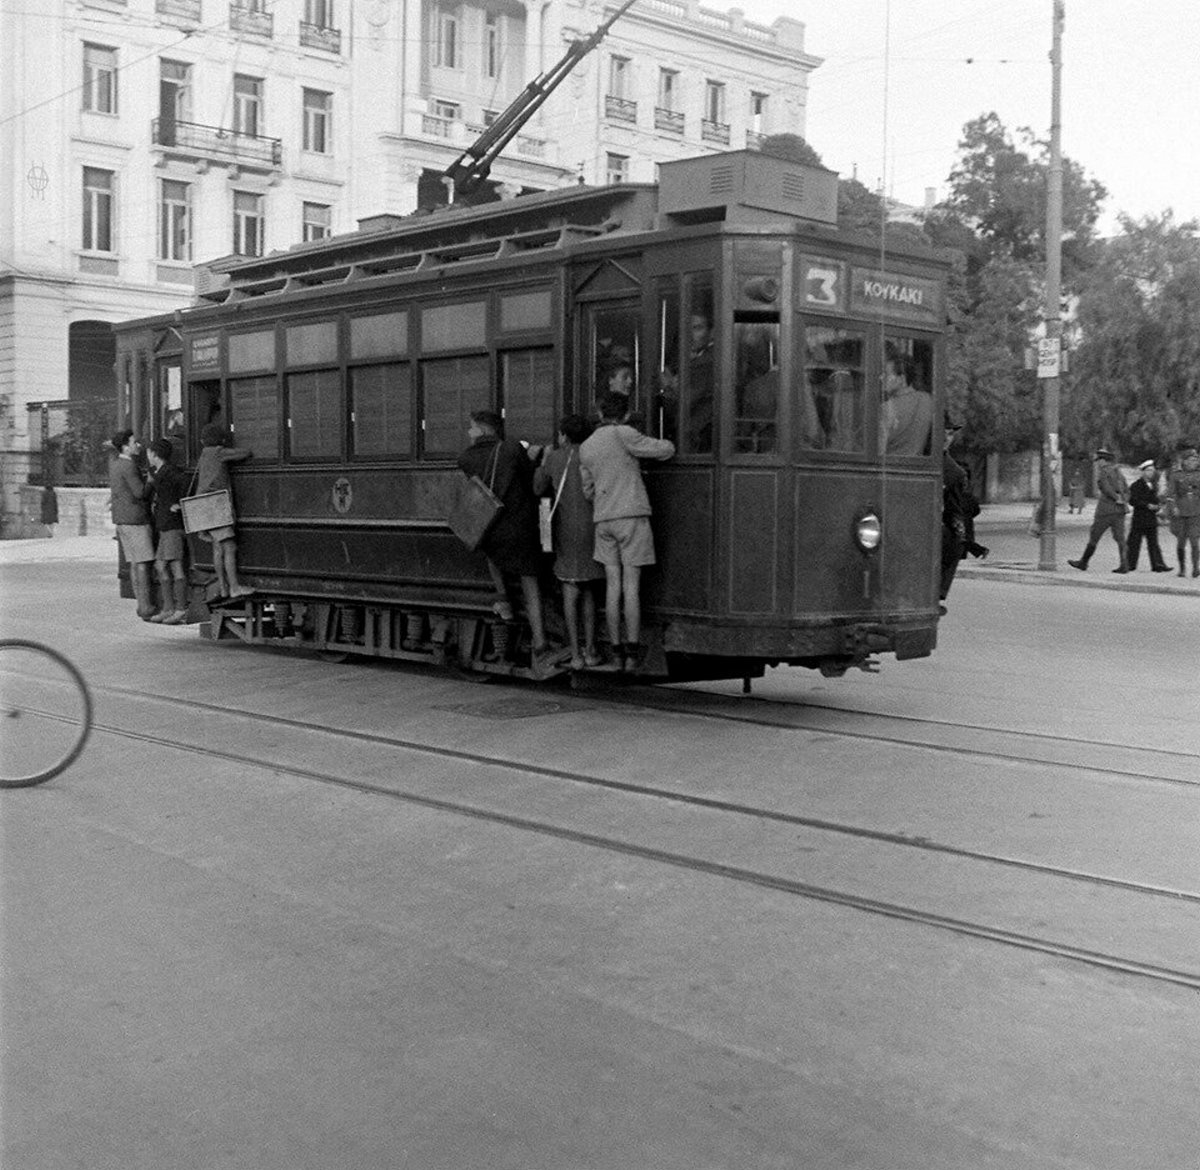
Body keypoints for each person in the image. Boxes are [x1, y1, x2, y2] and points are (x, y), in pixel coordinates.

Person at [579, 391, 675, 672]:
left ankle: (617, 651)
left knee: (613, 587)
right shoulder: (624, 434)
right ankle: (632, 653)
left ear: (599, 413)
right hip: (631, 516)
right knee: (631, 587)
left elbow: (588, 491)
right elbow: (664, 449)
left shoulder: (587, 445)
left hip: (604, 519)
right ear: (624, 414)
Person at [457, 410, 557, 675]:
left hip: (490, 528)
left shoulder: (465, 458)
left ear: (482, 429)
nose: (469, 432)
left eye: (471, 428)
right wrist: (536, 456)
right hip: (519, 528)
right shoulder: (512, 449)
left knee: (491, 552)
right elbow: (531, 481)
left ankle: (503, 600)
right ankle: (540, 642)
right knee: (529, 580)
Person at [532, 414, 604, 671]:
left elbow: (538, 488)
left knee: (570, 591)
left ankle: (575, 654)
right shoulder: (592, 454)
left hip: (567, 532)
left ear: (563, 435)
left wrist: (543, 460)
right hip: (595, 529)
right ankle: (592, 650)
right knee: (588, 590)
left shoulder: (556, 457)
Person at [195, 422, 254, 599]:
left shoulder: (204, 454)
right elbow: (244, 453)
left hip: (203, 504)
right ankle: (235, 587)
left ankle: (223, 587)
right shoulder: (218, 452)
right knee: (230, 547)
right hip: (216, 505)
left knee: (217, 548)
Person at [108, 429, 157, 620]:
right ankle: (146, 606)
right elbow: (139, 493)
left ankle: (141, 605)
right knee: (143, 562)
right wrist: (151, 481)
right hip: (136, 519)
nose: (138, 445)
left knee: (135, 563)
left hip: (121, 519)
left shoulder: (115, 464)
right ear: (126, 447)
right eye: (134, 442)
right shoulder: (129, 466)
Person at [145, 438, 192, 622]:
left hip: (172, 525)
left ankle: (179, 608)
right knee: (162, 565)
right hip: (165, 525)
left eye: (149, 453)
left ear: (155, 455)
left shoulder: (169, 472)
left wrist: (179, 504)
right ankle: (169, 607)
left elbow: (185, 482)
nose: (147, 456)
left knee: (174, 565)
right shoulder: (160, 472)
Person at [1068, 448, 1129, 573]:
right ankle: (1124, 565)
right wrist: (1123, 499)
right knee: (1121, 538)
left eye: (1098, 460)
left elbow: (1105, 488)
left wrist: (1116, 497)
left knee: (1094, 536)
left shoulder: (1104, 472)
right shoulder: (1119, 472)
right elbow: (1127, 490)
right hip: (1120, 510)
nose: (1097, 463)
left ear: (1102, 460)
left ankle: (1083, 562)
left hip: (1105, 510)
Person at [940, 416, 970, 605]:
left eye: (950, 434)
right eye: (941, 433)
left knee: (956, 540)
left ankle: (939, 591)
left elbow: (955, 510)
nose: (946, 438)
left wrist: (961, 534)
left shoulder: (955, 473)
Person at [880, 353, 933, 456]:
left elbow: (878, 451)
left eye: (886, 374)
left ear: (901, 379)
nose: (881, 377)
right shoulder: (927, 400)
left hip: (889, 467)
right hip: (917, 467)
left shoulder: (886, 408)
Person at [1126, 459, 1171, 573]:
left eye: (1152, 471)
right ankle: (1129, 564)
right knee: (1134, 542)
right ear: (1143, 472)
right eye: (1148, 470)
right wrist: (1146, 505)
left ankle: (1158, 564)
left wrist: (1157, 505)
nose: (1151, 473)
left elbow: (1156, 499)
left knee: (1154, 543)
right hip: (1140, 518)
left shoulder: (1153, 485)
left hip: (1151, 518)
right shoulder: (1136, 485)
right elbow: (1132, 500)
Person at [1168, 444, 1200, 578]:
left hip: (1195, 512)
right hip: (1180, 513)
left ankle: (1195, 568)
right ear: (1185, 461)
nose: (1195, 462)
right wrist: (1174, 507)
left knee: (1194, 542)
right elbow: (1170, 495)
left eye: (1196, 460)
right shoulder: (1176, 475)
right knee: (1181, 542)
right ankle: (1182, 569)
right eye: (1192, 460)